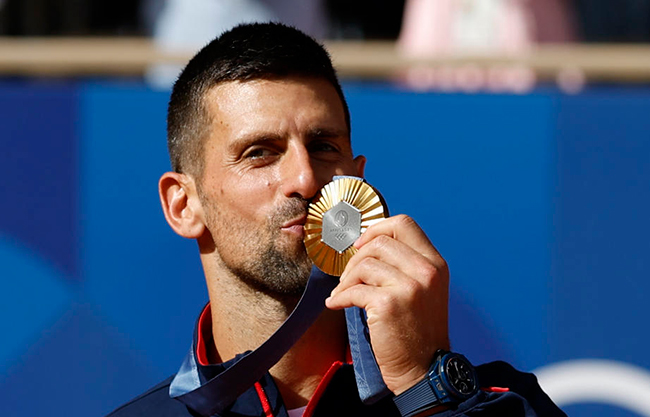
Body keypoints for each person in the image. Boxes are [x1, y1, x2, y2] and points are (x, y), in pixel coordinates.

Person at [108, 22, 565, 417]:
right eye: (260, 152)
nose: (305, 179)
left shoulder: (503, 403)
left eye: (324, 146)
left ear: (358, 180)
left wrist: (426, 388)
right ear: (184, 206)